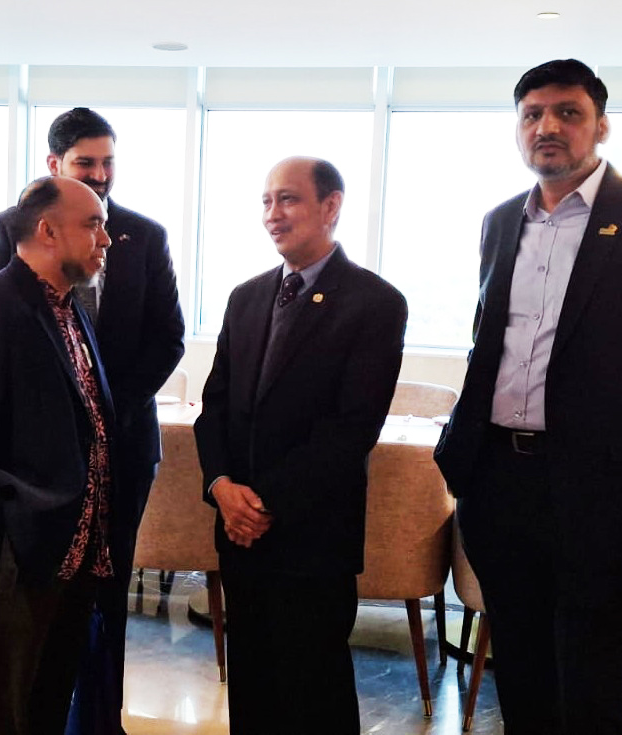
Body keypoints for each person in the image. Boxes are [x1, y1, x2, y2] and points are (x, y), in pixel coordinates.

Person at [434, 59, 622, 734]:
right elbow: (489, 347)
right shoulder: (501, 221)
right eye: (532, 114)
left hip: (602, 496)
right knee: (522, 675)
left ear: (601, 126)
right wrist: (462, 460)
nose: (548, 127)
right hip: (499, 484)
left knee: (592, 684)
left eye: (568, 112)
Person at [0, 107, 185, 735]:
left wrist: (104, 411)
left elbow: (169, 338)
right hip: (39, 457)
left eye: (108, 162)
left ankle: (100, 720)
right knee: (39, 598)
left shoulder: (144, 235)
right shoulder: (14, 227)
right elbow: (3, 331)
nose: (100, 175)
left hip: (124, 446)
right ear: (55, 165)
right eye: (85, 163)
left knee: (108, 587)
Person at [193, 157, 407, 734]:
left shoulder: (375, 303)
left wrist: (263, 504)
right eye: (266, 201)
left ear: (330, 206)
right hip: (239, 535)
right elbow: (215, 407)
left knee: (315, 694)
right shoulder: (246, 298)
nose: (273, 214)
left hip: (311, 535)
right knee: (253, 691)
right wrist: (221, 487)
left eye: (287, 199)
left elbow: (350, 429)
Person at [0, 176, 116, 734]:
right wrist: (3, 535)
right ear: (47, 231)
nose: (105, 239)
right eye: (93, 224)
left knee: (48, 706)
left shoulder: (70, 308)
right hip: (21, 551)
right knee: (6, 716)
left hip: (76, 550)